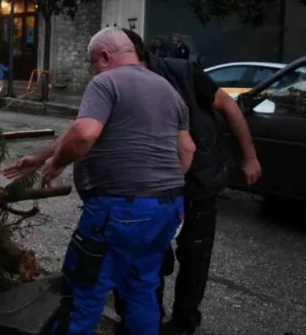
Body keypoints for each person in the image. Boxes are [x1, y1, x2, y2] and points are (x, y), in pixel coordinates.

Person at [4, 28, 195, 335]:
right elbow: (187, 149)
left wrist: (58, 162)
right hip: (167, 208)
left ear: (105, 57)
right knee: (142, 289)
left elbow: (84, 134)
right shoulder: (168, 90)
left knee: (85, 289)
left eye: (93, 62)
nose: (93, 69)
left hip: (120, 209)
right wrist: (41, 157)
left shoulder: (106, 82)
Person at [110, 29, 262, 335]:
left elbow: (228, 106)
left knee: (194, 257)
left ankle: (183, 322)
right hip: (149, 188)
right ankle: (147, 320)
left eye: (105, 59)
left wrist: (249, 157)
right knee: (146, 255)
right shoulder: (113, 84)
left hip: (196, 181)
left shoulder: (181, 73)